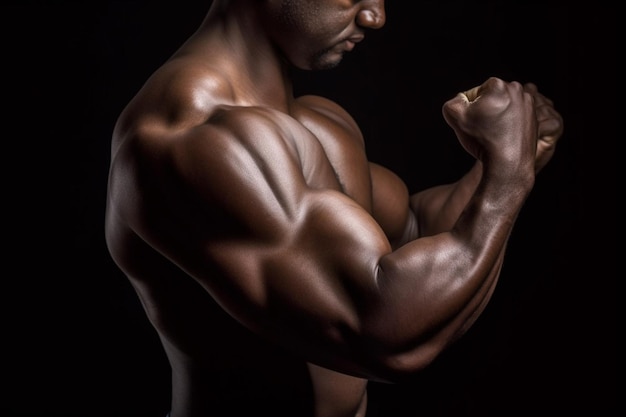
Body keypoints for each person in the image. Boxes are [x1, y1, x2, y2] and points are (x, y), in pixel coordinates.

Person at [104, 1, 563, 416]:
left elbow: (413, 235)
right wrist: (507, 176)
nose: (375, 16)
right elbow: (384, 331)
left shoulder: (315, 123)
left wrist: (511, 161)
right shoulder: (193, 138)